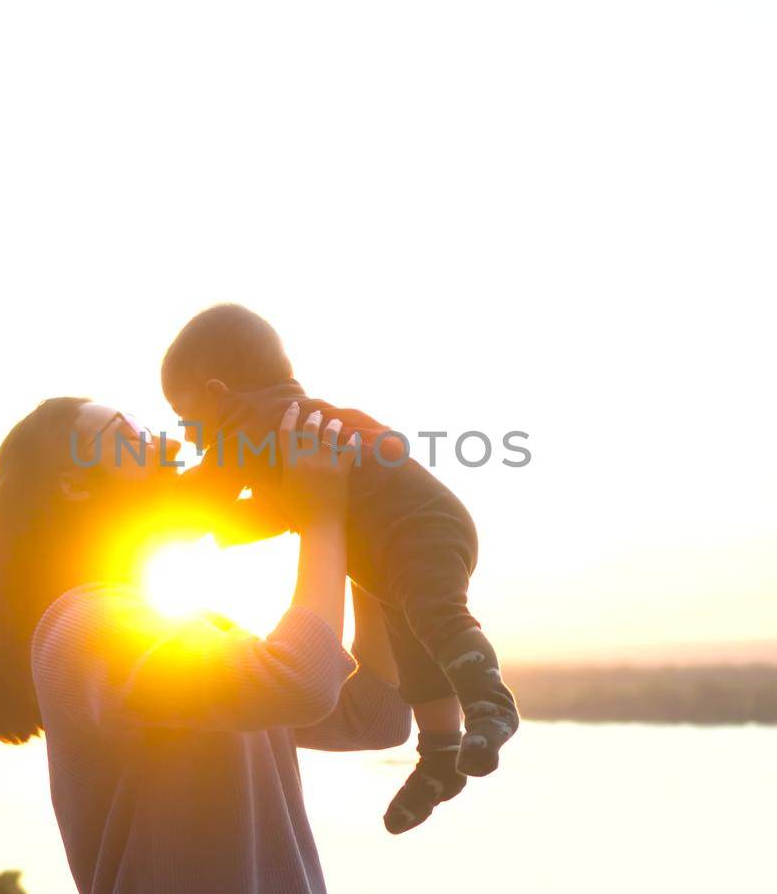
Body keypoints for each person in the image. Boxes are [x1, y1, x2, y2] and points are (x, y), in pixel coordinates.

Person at [0, 396, 409, 894]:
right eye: (133, 438)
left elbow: (376, 714)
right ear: (73, 484)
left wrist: (358, 535)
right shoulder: (84, 629)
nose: (169, 445)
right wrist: (323, 518)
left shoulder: (191, 634)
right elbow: (302, 680)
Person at [162, 304, 521, 834]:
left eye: (185, 419)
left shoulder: (254, 427)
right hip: (390, 550)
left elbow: (205, 493)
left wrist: (152, 507)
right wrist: (228, 528)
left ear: (217, 394)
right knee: (416, 651)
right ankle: (441, 757)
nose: (189, 437)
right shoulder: (294, 429)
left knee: (434, 616)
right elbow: (288, 510)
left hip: (420, 530)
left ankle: (490, 702)